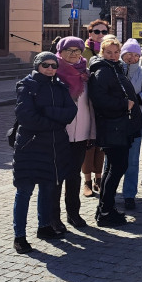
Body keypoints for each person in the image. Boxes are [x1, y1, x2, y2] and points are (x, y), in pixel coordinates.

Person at [12, 52, 77, 253]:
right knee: (24, 191)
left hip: (54, 147)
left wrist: (47, 112)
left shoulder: (59, 85)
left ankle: (44, 227)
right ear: (37, 65)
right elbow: (26, 117)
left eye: (53, 65)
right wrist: (54, 123)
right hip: (29, 147)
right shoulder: (27, 85)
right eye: (45, 65)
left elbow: (71, 112)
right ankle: (19, 237)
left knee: (48, 188)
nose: (50, 69)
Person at [88, 35, 142, 226]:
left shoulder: (114, 67)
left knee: (115, 167)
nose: (113, 55)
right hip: (112, 126)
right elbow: (100, 100)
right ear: (101, 52)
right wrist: (123, 104)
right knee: (116, 167)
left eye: (116, 52)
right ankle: (105, 212)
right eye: (108, 52)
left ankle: (105, 209)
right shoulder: (102, 70)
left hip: (119, 125)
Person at [52, 36, 93, 231]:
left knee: (74, 175)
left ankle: (73, 213)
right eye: (70, 50)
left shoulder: (85, 73)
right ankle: (54, 217)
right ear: (60, 51)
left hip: (81, 133)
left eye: (78, 50)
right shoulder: (53, 72)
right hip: (60, 134)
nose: (75, 53)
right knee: (57, 176)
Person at [120, 39, 142, 209]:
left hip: (135, 120)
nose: (132, 58)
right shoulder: (114, 70)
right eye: (128, 54)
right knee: (113, 160)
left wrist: (135, 101)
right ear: (122, 54)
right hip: (116, 122)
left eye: (135, 55)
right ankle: (110, 192)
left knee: (132, 160)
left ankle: (129, 194)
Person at [81, 19, 110, 198]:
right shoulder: (83, 51)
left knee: (101, 143)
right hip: (85, 102)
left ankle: (99, 179)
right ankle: (87, 181)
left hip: (103, 103)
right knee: (88, 143)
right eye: (97, 31)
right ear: (90, 33)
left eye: (104, 32)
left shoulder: (109, 50)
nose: (100, 35)